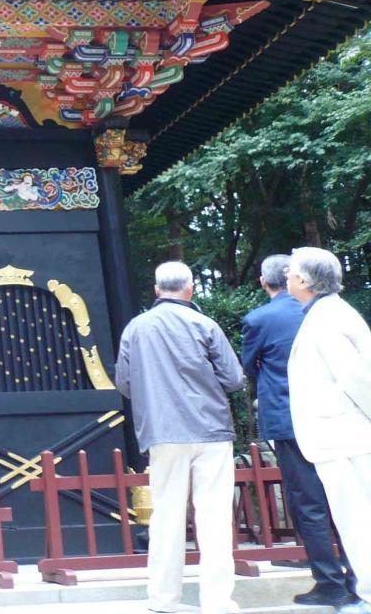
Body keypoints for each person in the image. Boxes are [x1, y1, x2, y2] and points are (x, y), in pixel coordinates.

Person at [116, 261, 245, 614]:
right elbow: (234, 379)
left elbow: (124, 382)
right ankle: (218, 602)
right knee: (214, 517)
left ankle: (163, 600)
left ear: (157, 290)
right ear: (190, 289)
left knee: (166, 516)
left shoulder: (136, 328)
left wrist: (154, 396)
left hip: (163, 431)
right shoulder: (205, 324)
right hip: (211, 429)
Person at [241, 254, 357, 607]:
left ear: (265, 282)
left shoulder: (260, 319)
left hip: (288, 418)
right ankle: (357, 576)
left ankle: (329, 581)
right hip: (335, 418)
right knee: (347, 498)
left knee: (308, 502)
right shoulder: (327, 312)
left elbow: (249, 366)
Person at [286, 247, 371, 614]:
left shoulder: (327, 318)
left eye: (291, 271)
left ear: (305, 280)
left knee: (358, 521)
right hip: (343, 434)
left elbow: (357, 378)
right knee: (356, 520)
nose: (287, 276)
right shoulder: (327, 313)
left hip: (345, 435)